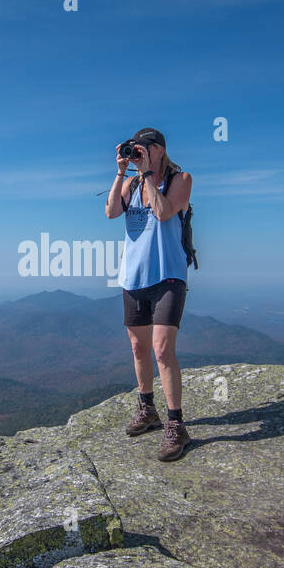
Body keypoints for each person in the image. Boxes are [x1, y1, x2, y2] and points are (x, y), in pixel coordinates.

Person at [105, 128, 193, 461]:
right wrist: (121, 172)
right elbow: (112, 212)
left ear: (158, 150)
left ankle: (176, 425)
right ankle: (147, 409)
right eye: (133, 149)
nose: (137, 153)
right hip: (133, 278)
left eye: (142, 149)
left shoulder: (180, 179)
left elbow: (163, 212)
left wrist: (147, 176)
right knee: (138, 347)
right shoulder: (130, 183)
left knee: (161, 349)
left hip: (168, 277)